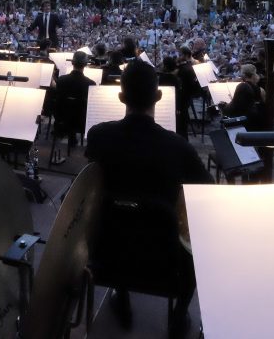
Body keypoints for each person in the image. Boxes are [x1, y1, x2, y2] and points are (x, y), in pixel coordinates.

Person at [85, 61, 212, 336]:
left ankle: (122, 295)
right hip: (164, 259)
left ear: (121, 97)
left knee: (119, 212)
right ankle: (178, 317)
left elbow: (90, 184)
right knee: (196, 246)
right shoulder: (178, 147)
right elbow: (207, 189)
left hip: (107, 251)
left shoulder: (98, 136)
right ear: (158, 97)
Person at [53, 50, 96, 150]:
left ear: (72, 62)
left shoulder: (61, 80)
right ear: (85, 64)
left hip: (61, 119)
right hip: (81, 121)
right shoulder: (90, 84)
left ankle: (70, 136)